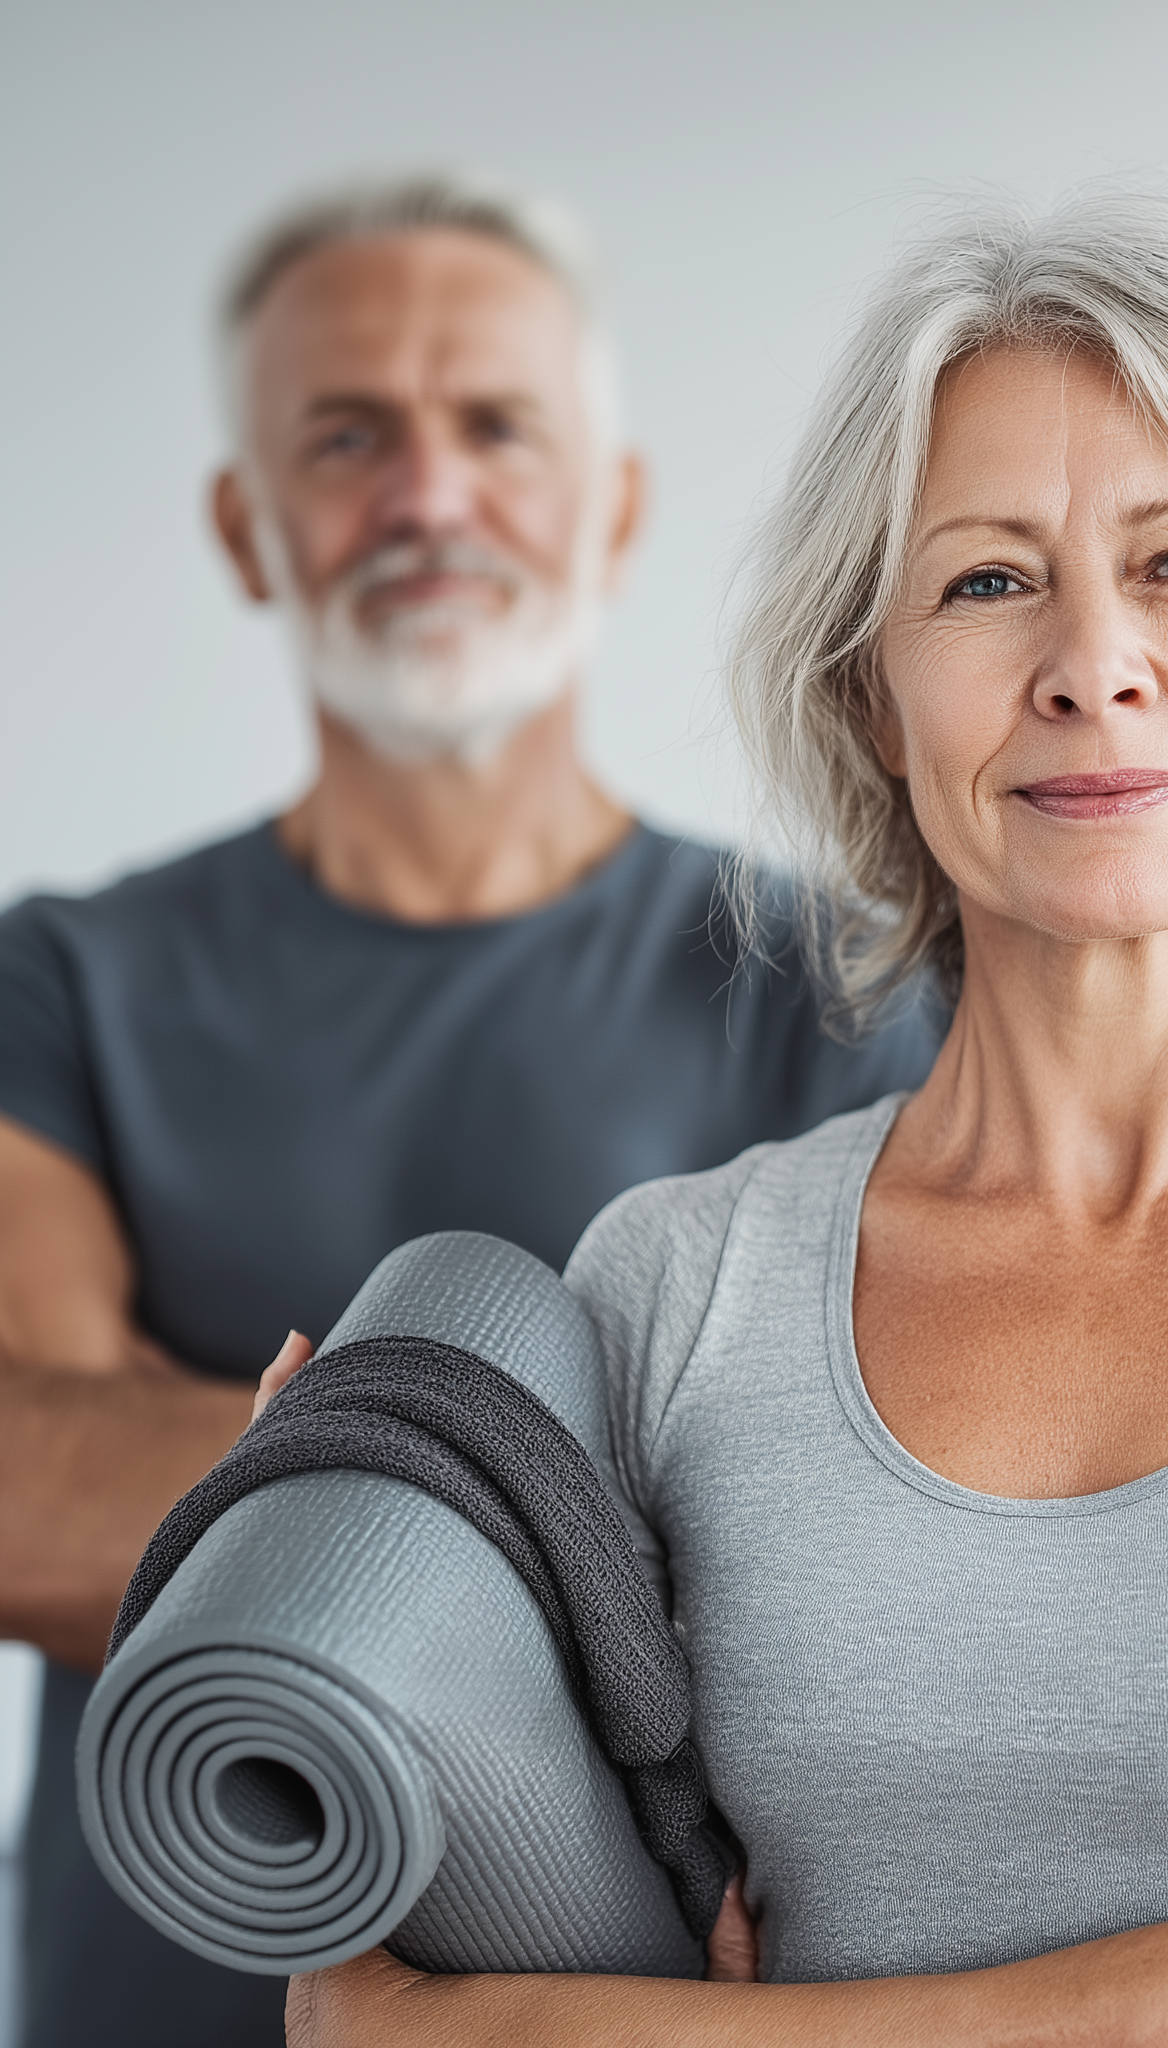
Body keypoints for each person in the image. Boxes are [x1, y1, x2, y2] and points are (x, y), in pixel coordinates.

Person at [283, 192, 1168, 2048]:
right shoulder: (667, 1292)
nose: (1091, 661)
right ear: (876, 701)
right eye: (986, 581)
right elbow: (374, 2020)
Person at [0, 174, 936, 2048]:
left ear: (616, 505)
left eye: (495, 427)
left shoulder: (841, 978)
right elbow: (19, 1484)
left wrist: (295, 1530)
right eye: (348, 437)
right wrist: (611, 1535)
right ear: (244, 528)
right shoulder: (59, 982)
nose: (428, 497)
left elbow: (893, 1586)